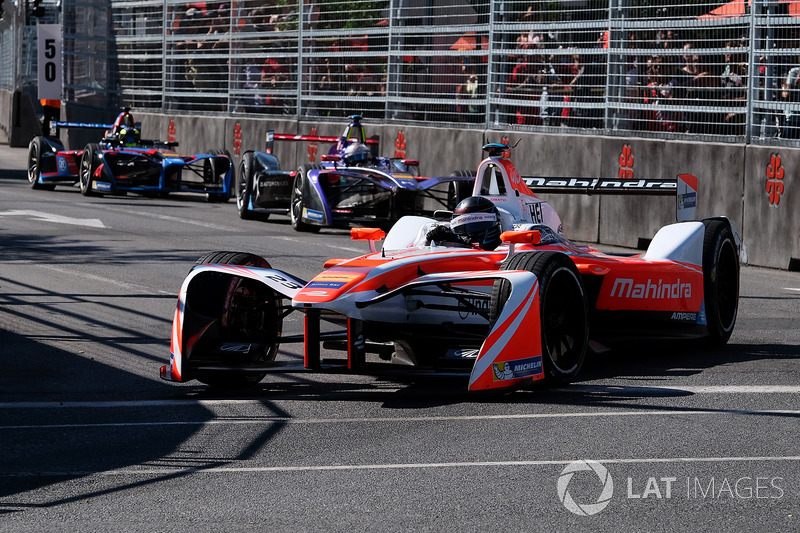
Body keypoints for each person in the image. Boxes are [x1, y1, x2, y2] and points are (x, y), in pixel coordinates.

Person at [426, 196, 503, 251]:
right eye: (463, 228)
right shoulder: (444, 231)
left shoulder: (510, 243)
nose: (469, 235)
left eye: (475, 226)